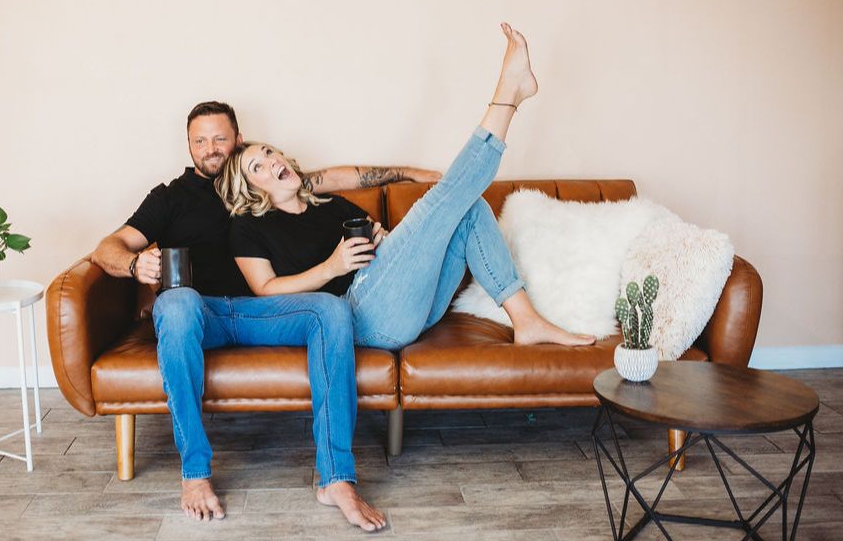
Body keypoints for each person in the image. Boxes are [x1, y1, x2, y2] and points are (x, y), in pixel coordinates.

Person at [89, 101, 439, 531]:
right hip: (201, 312)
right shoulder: (169, 197)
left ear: (237, 140)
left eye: (220, 138)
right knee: (177, 304)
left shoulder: (263, 180)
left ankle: (337, 479)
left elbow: (336, 177)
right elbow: (106, 248)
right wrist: (133, 264)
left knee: (331, 309)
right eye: (200, 141)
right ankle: (195, 473)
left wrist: (410, 173)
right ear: (189, 145)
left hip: (263, 310)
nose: (210, 149)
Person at [217, 23, 596, 350]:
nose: (272, 161)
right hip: (359, 318)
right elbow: (265, 290)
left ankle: (525, 320)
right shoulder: (249, 227)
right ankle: (506, 96)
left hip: (407, 302)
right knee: (443, 199)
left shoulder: (331, 205)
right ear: (251, 189)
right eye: (257, 166)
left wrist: (382, 238)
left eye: (269, 152)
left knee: (469, 209)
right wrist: (332, 266)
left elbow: (387, 245)